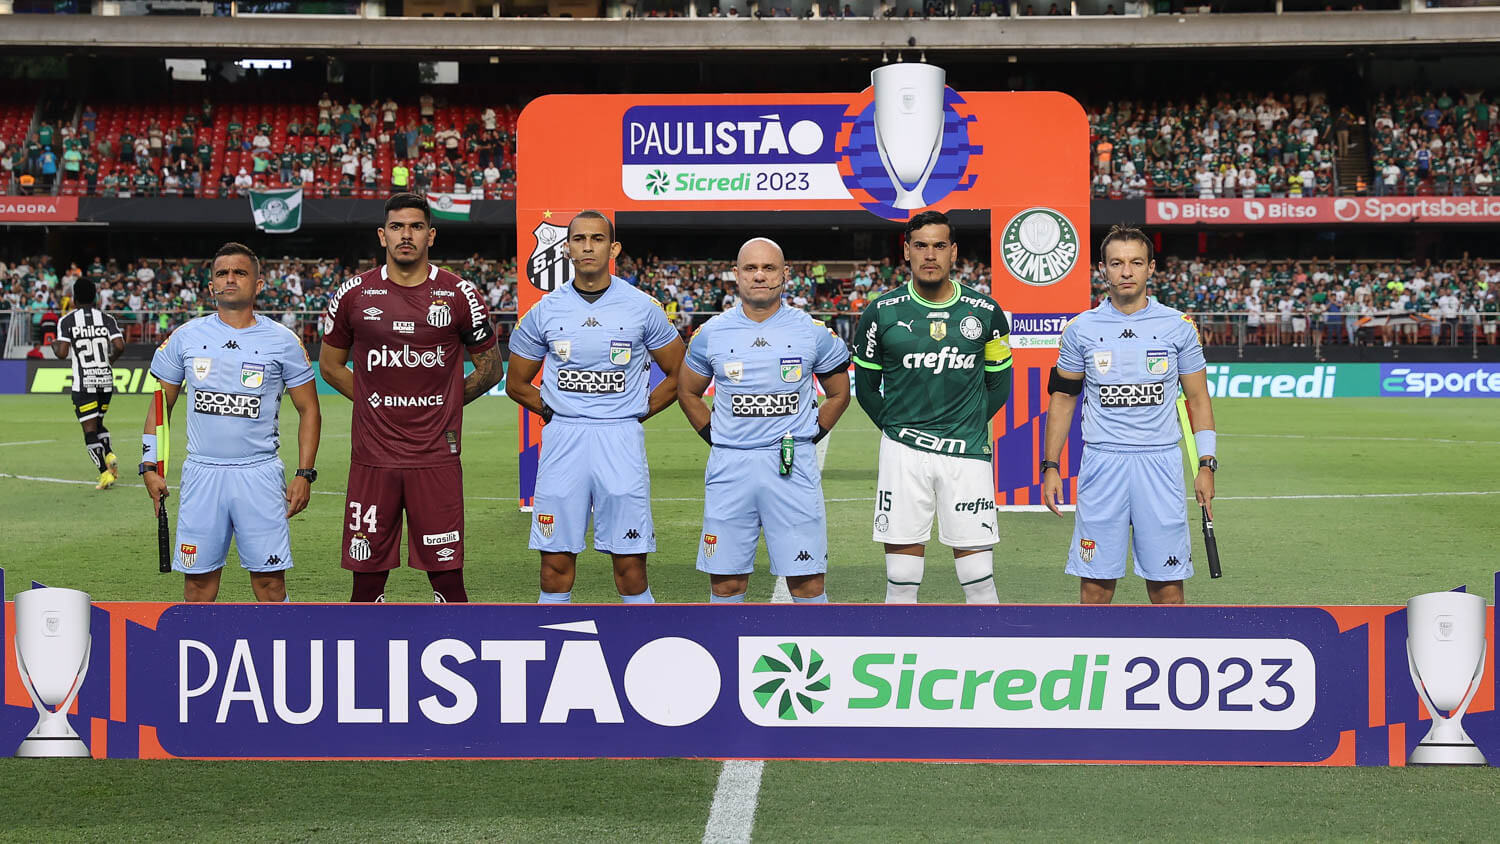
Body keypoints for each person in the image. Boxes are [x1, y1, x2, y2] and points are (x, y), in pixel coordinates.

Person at [319, 193, 503, 604]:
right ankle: (364, 661)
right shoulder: (353, 294)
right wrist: (372, 403)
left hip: (435, 454)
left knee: (449, 580)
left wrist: (445, 405)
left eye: (416, 227)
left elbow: (491, 369)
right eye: (398, 227)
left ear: (430, 235)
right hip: (373, 455)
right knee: (365, 582)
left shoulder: (460, 294)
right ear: (383, 235)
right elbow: (330, 366)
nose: (407, 235)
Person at [505, 211, 685, 605]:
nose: (588, 246)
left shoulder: (642, 307)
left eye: (598, 239)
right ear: (567, 247)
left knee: (630, 564)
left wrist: (639, 409)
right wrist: (553, 410)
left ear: (613, 248)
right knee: (554, 562)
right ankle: (551, 649)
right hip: (563, 440)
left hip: (620, 437)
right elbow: (516, 383)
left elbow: (679, 373)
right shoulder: (545, 310)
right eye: (579, 239)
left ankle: (640, 650)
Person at [1041, 225, 1216, 605]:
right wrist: (1050, 465)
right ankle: (1094, 661)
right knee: (1095, 587)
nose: (1126, 271)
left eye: (1136, 262)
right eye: (1116, 263)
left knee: (1168, 588)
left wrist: (1207, 464)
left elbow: (1198, 398)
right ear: (1102, 269)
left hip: (1160, 463)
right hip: (1103, 463)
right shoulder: (1080, 329)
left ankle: (1171, 660)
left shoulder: (1178, 326)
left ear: (1151, 268)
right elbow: (1063, 399)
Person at [141, 242, 321, 602]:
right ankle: (196, 656)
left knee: (270, 584)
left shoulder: (283, 341)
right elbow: (160, 406)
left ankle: (279, 656)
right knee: (197, 585)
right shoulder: (186, 337)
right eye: (222, 273)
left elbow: (310, 411)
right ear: (210, 286)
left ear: (258, 284)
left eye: (240, 272)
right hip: (202, 474)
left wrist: (304, 474)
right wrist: (149, 464)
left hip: (259, 473)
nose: (230, 279)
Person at [851, 210, 1013, 604]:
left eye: (939, 246)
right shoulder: (881, 312)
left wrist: (965, 422)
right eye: (920, 245)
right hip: (903, 453)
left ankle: (989, 657)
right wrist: (897, 428)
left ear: (953, 252)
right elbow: (868, 389)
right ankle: (898, 659)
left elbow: (999, 384)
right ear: (906, 251)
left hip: (967, 452)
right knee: (901, 579)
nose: (930, 254)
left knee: (978, 578)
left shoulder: (986, 312)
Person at [677, 237, 852, 603]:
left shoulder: (813, 332)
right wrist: (717, 437)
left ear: (785, 275)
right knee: (726, 583)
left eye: (769, 268)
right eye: (751, 268)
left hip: (792, 467)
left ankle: (810, 659)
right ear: (736, 275)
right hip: (730, 466)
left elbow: (839, 393)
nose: (760, 276)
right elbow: (688, 392)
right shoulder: (710, 334)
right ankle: (726, 656)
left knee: (806, 582)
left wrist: (810, 435)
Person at [52, 278, 125, 489]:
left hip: (84, 384)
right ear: (95, 298)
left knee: (89, 430)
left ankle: (104, 473)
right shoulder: (107, 318)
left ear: (74, 299)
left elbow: (62, 353)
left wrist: (54, 345)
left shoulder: (66, 321)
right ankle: (109, 454)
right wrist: (108, 361)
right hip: (105, 380)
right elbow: (120, 346)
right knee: (99, 422)